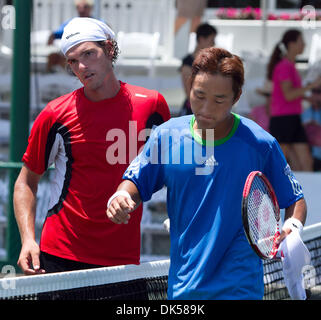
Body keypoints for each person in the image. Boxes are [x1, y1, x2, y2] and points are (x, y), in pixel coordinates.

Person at [106, 47, 307, 300]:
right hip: (184, 290)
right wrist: (121, 197)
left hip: (240, 289)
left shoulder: (261, 143)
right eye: (199, 95)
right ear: (189, 87)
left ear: (237, 97)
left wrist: (293, 225)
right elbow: (135, 182)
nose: (205, 108)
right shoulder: (166, 136)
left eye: (219, 100)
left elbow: (295, 199)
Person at [13, 17, 171, 275]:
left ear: (109, 49)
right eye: (73, 61)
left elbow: (170, 169)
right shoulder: (54, 114)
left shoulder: (153, 105)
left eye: (89, 53)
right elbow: (26, 182)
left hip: (124, 261)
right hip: (59, 258)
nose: (82, 66)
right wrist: (28, 239)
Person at [267, 29, 321, 171]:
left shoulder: (290, 66)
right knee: (281, 164)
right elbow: (289, 95)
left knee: (305, 163)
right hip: (283, 120)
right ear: (291, 44)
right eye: (301, 41)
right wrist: (312, 85)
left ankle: (302, 193)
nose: (304, 44)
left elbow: (290, 94)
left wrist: (308, 97)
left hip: (293, 118)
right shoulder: (284, 66)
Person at [179, 23, 217, 116]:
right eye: (212, 40)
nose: (213, 43)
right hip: (193, 110)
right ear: (201, 39)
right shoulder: (187, 63)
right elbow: (189, 92)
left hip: (208, 108)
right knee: (203, 131)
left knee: (209, 131)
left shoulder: (213, 61)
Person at [46, 0, 94, 72]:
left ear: (91, 8)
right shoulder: (71, 23)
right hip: (72, 54)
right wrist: (52, 36)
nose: (81, 10)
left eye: (85, 7)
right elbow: (57, 33)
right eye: (78, 7)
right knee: (53, 57)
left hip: (89, 55)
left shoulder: (97, 23)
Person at [302, 86, 321, 171]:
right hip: (312, 156)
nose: (315, 95)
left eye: (319, 92)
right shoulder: (305, 112)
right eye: (314, 91)